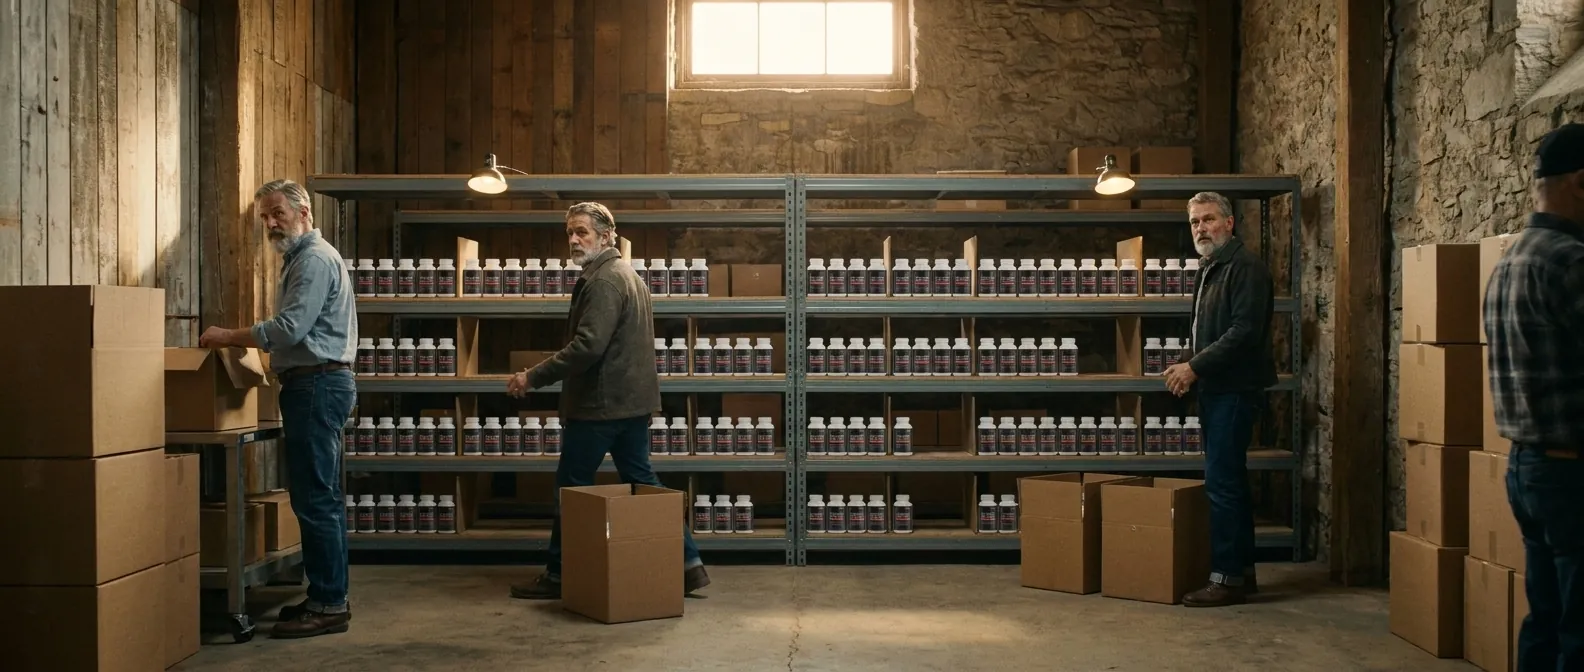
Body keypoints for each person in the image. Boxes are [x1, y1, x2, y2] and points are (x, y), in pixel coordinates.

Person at [507, 202, 710, 600]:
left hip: (600, 405)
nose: (573, 240)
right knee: (643, 481)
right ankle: (689, 566)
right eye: (569, 232)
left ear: (606, 236)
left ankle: (559, 573)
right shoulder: (626, 274)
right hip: (630, 404)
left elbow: (587, 347)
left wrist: (533, 376)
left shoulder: (604, 281)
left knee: (571, 486)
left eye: (582, 231)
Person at [198, 179, 359, 638]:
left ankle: (329, 603)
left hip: (317, 385)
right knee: (318, 496)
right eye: (265, 217)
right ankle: (327, 595)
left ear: (302, 210)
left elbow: (289, 330)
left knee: (316, 499)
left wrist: (229, 336)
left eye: (277, 213)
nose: (270, 223)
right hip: (316, 384)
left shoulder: (311, 260)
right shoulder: (305, 258)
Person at [1485, 122, 1584, 671]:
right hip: (1570, 473)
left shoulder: (1509, 262)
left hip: (1527, 469)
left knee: (1544, 619)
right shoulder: (1568, 261)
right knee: (1579, 629)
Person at [1164, 191, 1276, 608]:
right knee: (1230, 482)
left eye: (1209, 219)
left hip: (1234, 390)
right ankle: (1241, 572)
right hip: (1216, 387)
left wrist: (1195, 367)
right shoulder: (1211, 267)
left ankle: (1226, 578)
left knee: (1223, 484)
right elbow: (1209, 332)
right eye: (1194, 222)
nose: (1201, 228)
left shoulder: (1245, 268)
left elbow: (1243, 333)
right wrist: (1188, 362)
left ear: (1230, 223)